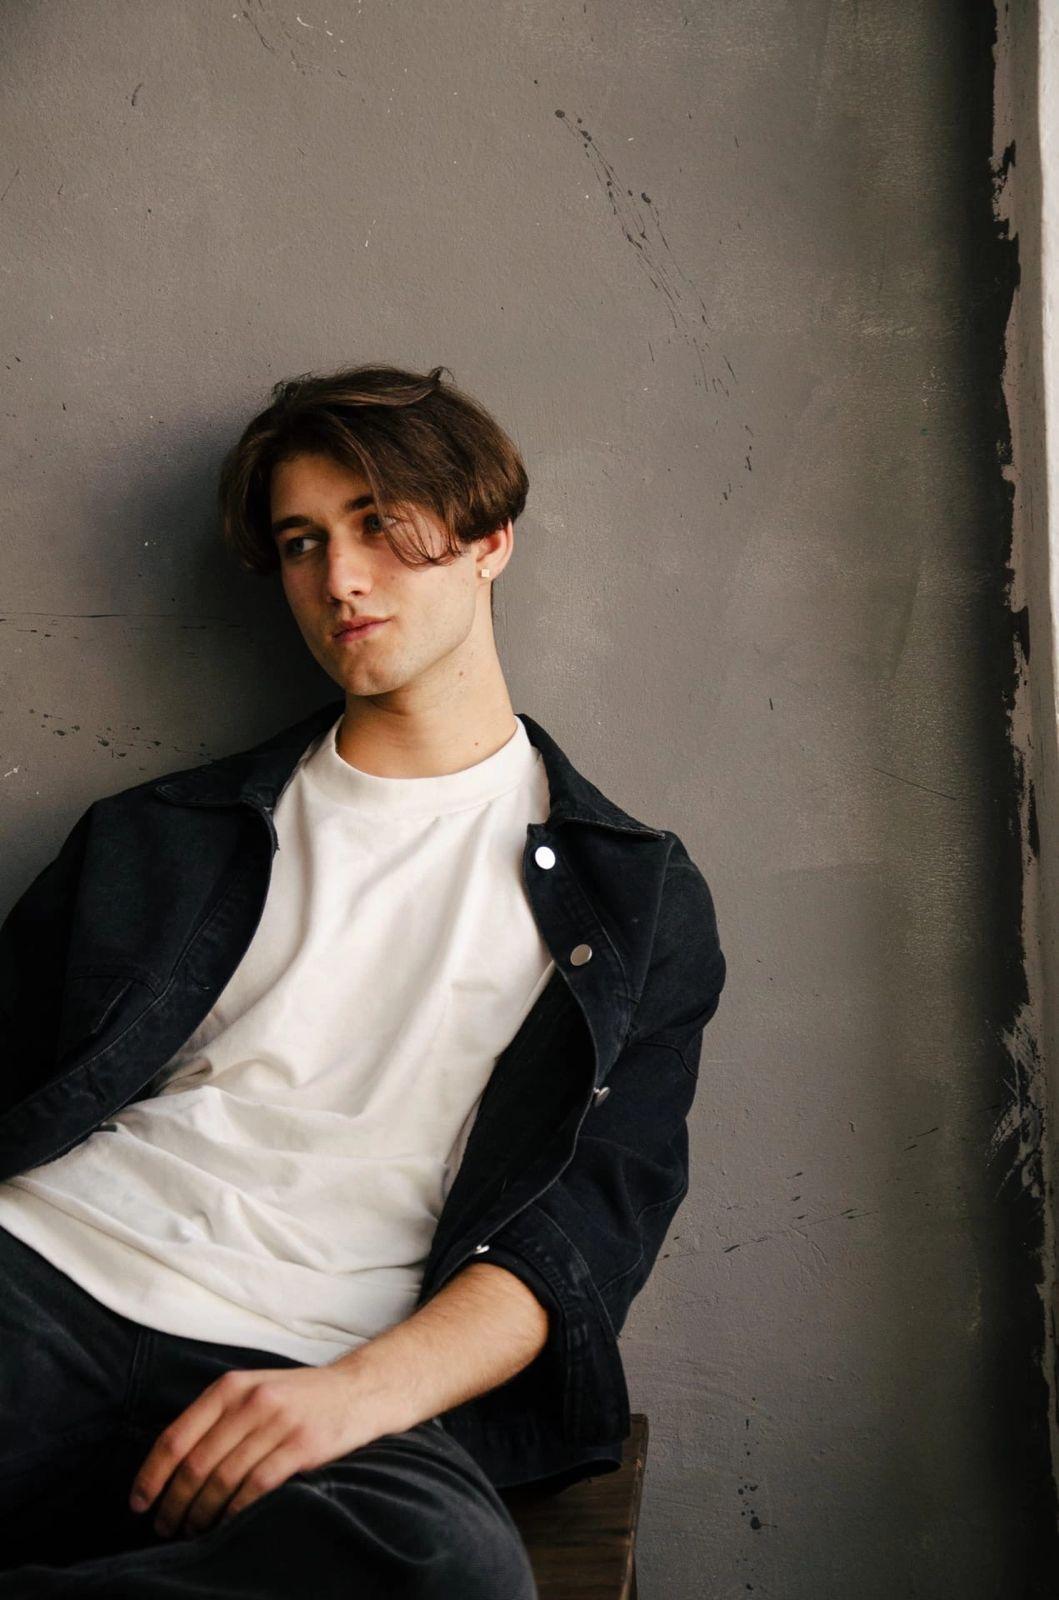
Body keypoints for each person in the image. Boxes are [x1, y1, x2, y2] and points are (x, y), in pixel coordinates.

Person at [0, 363, 727, 1596]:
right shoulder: (160, 834)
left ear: (490, 538)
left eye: (380, 524)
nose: (338, 577)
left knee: (448, 1575)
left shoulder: (636, 900)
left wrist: (355, 1396)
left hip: (328, 1361)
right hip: (50, 1277)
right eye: (302, 542)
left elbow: (584, 1235)